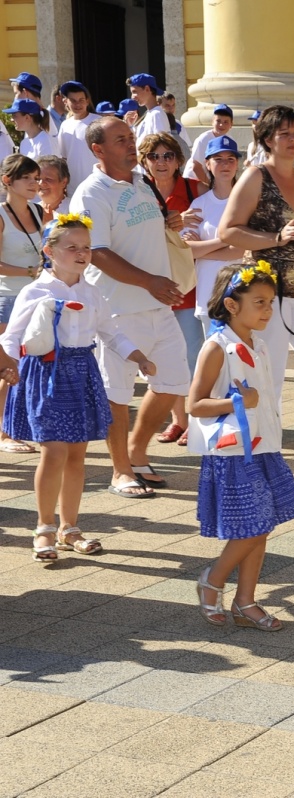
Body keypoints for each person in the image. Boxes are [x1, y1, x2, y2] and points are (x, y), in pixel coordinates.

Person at [1, 214, 154, 561]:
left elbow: (111, 332)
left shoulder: (93, 292)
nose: (81, 253)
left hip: (82, 372)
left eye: (86, 247)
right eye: (72, 247)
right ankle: (44, 528)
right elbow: (12, 336)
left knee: (76, 456)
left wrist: (139, 357)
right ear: (49, 251)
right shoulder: (36, 290)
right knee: (53, 452)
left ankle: (70, 528)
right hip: (46, 372)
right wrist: (8, 366)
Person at [70, 116, 191, 498]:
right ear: (98, 150)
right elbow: (98, 253)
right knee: (117, 393)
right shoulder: (91, 192)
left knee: (174, 382)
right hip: (116, 309)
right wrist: (150, 282)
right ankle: (120, 471)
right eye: (121, 139)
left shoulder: (143, 183)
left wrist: (167, 221)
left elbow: (140, 232)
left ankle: (137, 451)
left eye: (131, 137)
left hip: (158, 305)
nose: (130, 144)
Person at [189, 262, 294, 631]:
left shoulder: (256, 344)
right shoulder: (217, 347)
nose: (268, 311)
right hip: (233, 450)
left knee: (262, 523)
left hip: (263, 446)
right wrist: (238, 402)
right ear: (231, 304)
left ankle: (245, 600)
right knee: (253, 526)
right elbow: (195, 404)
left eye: (271, 302)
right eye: (259, 302)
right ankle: (213, 579)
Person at [218, 105, 294, 458]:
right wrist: (276, 238)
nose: (293, 140)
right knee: (267, 379)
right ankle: (266, 454)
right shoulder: (255, 176)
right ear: (267, 138)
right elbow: (228, 231)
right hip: (265, 298)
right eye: (284, 133)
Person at [138, 132, 207, 446]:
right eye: (154, 156)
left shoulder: (196, 190)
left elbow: (221, 216)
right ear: (144, 161)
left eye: (167, 155)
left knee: (192, 355)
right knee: (164, 358)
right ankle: (178, 420)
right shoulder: (138, 191)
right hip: (150, 286)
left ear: (179, 160)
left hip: (188, 285)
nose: (161, 162)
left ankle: (196, 419)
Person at [0, 155, 45, 454]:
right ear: (7, 181)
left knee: (28, 364)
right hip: (8, 297)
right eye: (26, 178)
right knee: (8, 366)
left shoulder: (39, 211)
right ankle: (4, 434)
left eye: (36, 177)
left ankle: (14, 427)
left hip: (37, 297)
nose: (34, 183)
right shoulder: (1, 215)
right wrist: (30, 271)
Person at [187, 136, 243, 332]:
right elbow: (188, 251)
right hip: (208, 293)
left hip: (242, 292)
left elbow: (239, 251)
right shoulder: (199, 204)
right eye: (218, 159)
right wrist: (226, 239)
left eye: (230, 159)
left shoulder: (247, 202)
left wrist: (203, 249)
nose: (225, 164)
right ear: (208, 164)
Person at [57, 81, 100, 195]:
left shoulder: (98, 122)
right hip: (73, 188)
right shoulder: (65, 125)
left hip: (97, 186)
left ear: (87, 101)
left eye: (81, 100)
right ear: (65, 101)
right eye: (73, 101)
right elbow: (64, 158)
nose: (77, 104)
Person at [185, 104, 234, 184]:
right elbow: (196, 167)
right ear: (212, 122)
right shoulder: (203, 139)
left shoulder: (229, 141)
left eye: (226, 122)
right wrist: (210, 187)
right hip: (194, 181)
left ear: (231, 124)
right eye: (218, 121)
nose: (221, 125)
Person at [9, 72, 58, 136]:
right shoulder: (38, 114)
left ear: (25, 92)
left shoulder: (39, 117)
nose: (15, 98)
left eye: (16, 93)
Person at [127, 73, 168, 144]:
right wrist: (131, 126)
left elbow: (161, 145)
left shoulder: (156, 114)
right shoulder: (149, 114)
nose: (132, 97)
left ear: (147, 89)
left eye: (134, 92)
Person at [35, 155, 69, 222]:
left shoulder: (74, 208)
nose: (41, 183)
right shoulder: (30, 211)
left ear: (64, 182)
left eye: (48, 179)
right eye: (38, 179)